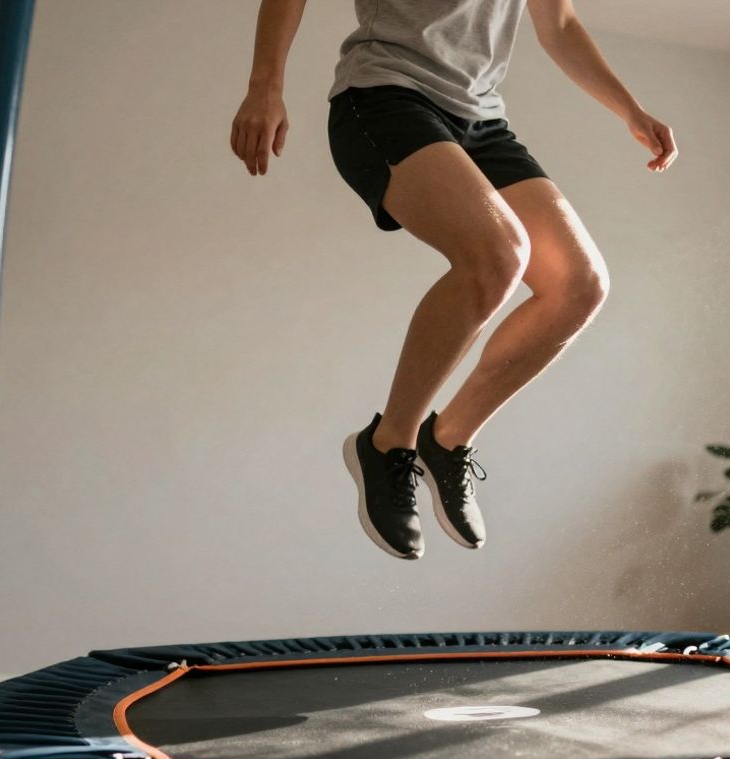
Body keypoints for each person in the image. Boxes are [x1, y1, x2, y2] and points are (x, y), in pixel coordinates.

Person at [231, 0, 677, 560]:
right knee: (499, 254)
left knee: (579, 285)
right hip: (385, 96)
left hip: (481, 122)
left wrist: (629, 109)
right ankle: (388, 442)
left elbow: (558, 23)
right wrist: (265, 85)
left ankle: (448, 440)